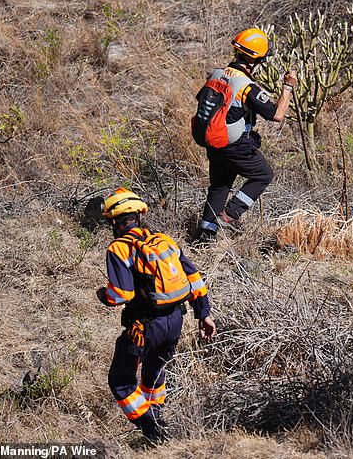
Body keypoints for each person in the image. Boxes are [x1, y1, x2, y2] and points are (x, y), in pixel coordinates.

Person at [96, 187, 216, 442]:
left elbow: (121, 294)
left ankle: (153, 430)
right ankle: (158, 421)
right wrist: (203, 313)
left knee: (121, 381)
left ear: (115, 222)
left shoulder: (119, 249)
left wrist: (103, 296)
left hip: (145, 326)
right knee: (153, 373)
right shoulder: (165, 240)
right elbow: (193, 277)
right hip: (176, 322)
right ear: (139, 216)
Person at [198, 28, 298, 243]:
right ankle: (231, 214)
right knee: (263, 175)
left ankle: (205, 237)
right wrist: (288, 87)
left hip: (214, 143)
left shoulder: (216, 74)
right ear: (255, 60)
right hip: (234, 145)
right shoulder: (246, 86)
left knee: (219, 186)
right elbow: (277, 115)